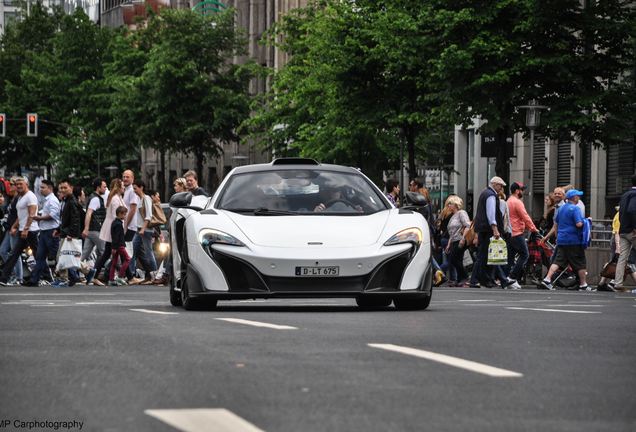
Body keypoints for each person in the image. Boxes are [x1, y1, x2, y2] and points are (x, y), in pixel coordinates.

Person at [469, 176, 514, 288]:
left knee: (486, 255)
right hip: (488, 229)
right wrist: (495, 229)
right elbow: (491, 214)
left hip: (483, 229)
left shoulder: (485, 193)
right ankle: (482, 280)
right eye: (500, 186)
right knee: (485, 255)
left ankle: (485, 280)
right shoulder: (491, 196)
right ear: (494, 184)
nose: (501, 188)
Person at [541, 189, 590, 291]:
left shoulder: (561, 208)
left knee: (557, 261)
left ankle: (547, 279)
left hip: (562, 240)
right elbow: (579, 224)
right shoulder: (575, 209)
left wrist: (557, 237)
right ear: (574, 198)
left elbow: (556, 224)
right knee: (580, 262)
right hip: (574, 240)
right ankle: (583, 284)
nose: (579, 198)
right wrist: (587, 221)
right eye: (578, 196)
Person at [0, 177, 39, 285]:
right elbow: (20, 216)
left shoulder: (30, 196)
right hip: (22, 230)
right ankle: (4, 278)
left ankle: (44, 276)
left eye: (20, 184)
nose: (18, 186)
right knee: (14, 254)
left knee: (37, 255)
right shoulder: (20, 197)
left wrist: (26, 229)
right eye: (16, 184)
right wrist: (14, 226)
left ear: (26, 184)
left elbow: (32, 214)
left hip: (31, 231)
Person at [24, 179, 60, 286]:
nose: (41, 190)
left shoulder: (53, 200)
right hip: (44, 231)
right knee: (39, 256)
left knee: (56, 256)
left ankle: (72, 275)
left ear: (50, 188)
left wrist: (39, 218)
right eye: (40, 187)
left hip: (51, 231)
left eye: (43, 187)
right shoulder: (46, 200)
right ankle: (34, 280)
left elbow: (53, 215)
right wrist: (40, 216)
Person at [91, 179, 126, 286]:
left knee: (108, 254)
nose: (124, 188)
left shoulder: (118, 197)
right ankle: (123, 275)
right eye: (123, 186)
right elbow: (117, 215)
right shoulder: (115, 199)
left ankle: (102, 275)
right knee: (115, 254)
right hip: (114, 229)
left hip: (113, 228)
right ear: (119, 187)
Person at [506, 182, 539, 284]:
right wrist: (533, 228)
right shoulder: (517, 202)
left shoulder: (508, 201)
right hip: (517, 232)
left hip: (509, 232)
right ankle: (512, 277)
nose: (523, 192)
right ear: (517, 191)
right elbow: (525, 217)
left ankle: (506, 278)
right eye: (522, 190)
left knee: (510, 257)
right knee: (524, 254)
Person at [53, 179, 84, 287]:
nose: (62, 190)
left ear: (71, 188)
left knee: (62, 256)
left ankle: (64, 279)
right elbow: (64, 220)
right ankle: (88, 271)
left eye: (65, 187)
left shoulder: (72, 201)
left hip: (68, 234)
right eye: (61, 188)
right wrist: (58, 229)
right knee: (69, 256)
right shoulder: (66, 201)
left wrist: (71, 233)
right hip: (65, 232)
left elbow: (75, 219)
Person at [610, 174, 636, 292]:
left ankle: (618, 282)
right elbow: (632, 210)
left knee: (622, 258)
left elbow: (621, 212)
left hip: (623, 230)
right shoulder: (635, 195)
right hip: (632, 231)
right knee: (623, 257)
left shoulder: (625, 194)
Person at [132, 179, 157, 283]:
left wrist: (143, 228)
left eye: (135, 188)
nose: (134, 191)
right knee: (133, 251)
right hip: (139, 230)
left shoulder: (146, 198)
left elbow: (149, 215)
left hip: (145, 230)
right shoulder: (140, 199)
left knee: (149, 252)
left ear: (141, 187)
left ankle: (155, 275)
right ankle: (136, 274)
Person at [122, 170, 143, 284]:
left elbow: (133, 209)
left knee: (126, 251)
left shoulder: (132, 191)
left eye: (128, 177)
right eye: (124, 177)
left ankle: (129, 274)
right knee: (128, 251)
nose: (125, 179)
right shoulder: (125, 191)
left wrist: (126, 225)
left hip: (130, 226)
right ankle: (130, 274)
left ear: (132, 179)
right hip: (127, 225)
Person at [0, 178, 23, 285]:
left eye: (13, 184)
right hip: (9, 227)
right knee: (3, 250)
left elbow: (20, 215)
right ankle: (12, 273)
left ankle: (18, 278)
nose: (11, 186)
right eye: (10, 184)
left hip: (15, 228)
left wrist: (15, 226)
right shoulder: (12, 198)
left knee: (15, 253)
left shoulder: (19, 198)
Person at [444, 195, 471, 286]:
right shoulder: (453, 216)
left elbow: (467, 225)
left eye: (450, 204)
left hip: (460, 239)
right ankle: (460, 279)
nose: (448, 206)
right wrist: (448, 244)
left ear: (456, 204)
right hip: (454, 240)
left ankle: (465, 277)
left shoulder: (461, 213)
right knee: (456, 260)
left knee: (454, 259)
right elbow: (452, 232)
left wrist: (463, 239)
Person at [81, 178, 107, 262]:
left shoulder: (95, 198)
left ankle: (75, 270)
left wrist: (87, 229)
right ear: (98, 187)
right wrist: (86, 228)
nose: (105, 189)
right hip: (96, 230)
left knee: (85, 253)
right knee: (105, 252)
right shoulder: (96, 199)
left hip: (92, 231)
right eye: (104, 187)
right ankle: (114, 272)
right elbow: (89, 213)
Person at [108, 206, 131, 286]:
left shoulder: (114, 222)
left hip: (115, 246)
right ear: (120, 214)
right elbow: (116, 236)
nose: (125, 216)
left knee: (114, 262)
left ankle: (111, 279)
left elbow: (113, 236)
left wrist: (113, 247)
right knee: (128, 259)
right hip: (119, 245)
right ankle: (120, 276)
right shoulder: (118, 224)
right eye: (124, 214)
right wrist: (114, 247)